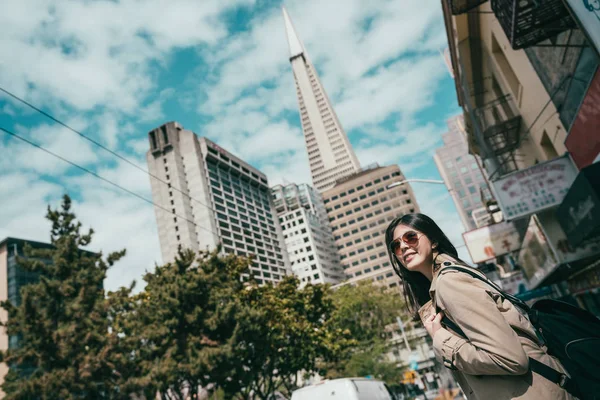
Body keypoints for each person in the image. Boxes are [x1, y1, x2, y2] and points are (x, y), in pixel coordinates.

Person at [385, 213, 575, 400]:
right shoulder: (446, 281)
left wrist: (441, 339)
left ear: (433, 241)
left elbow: (511, 359)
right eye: (396, 245)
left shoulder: (450, 282)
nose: (403, 246)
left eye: (410, 237)